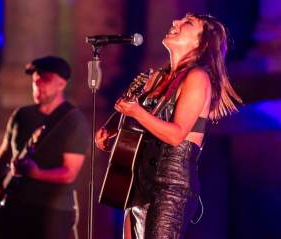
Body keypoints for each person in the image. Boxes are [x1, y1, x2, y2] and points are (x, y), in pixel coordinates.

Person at [95, 13, 242, 238]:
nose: (175, 23)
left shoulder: (197, 77)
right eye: (179, 20)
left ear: (199, 43)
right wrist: (110, 129)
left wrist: (136, 112)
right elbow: (134, 111)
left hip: (169, 187)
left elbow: (176, 135)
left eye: (187, 23)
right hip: (137, 181)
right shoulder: (154, 79)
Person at [0, 56, 90, 239]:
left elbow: (70, 171)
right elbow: (3, 154)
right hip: (13, 205)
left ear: (62, 84)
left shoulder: (73, 121)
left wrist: (36, 172)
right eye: (35, 79)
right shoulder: (21, 115)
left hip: (51, 210)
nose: (38, 84)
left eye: (45, 80)